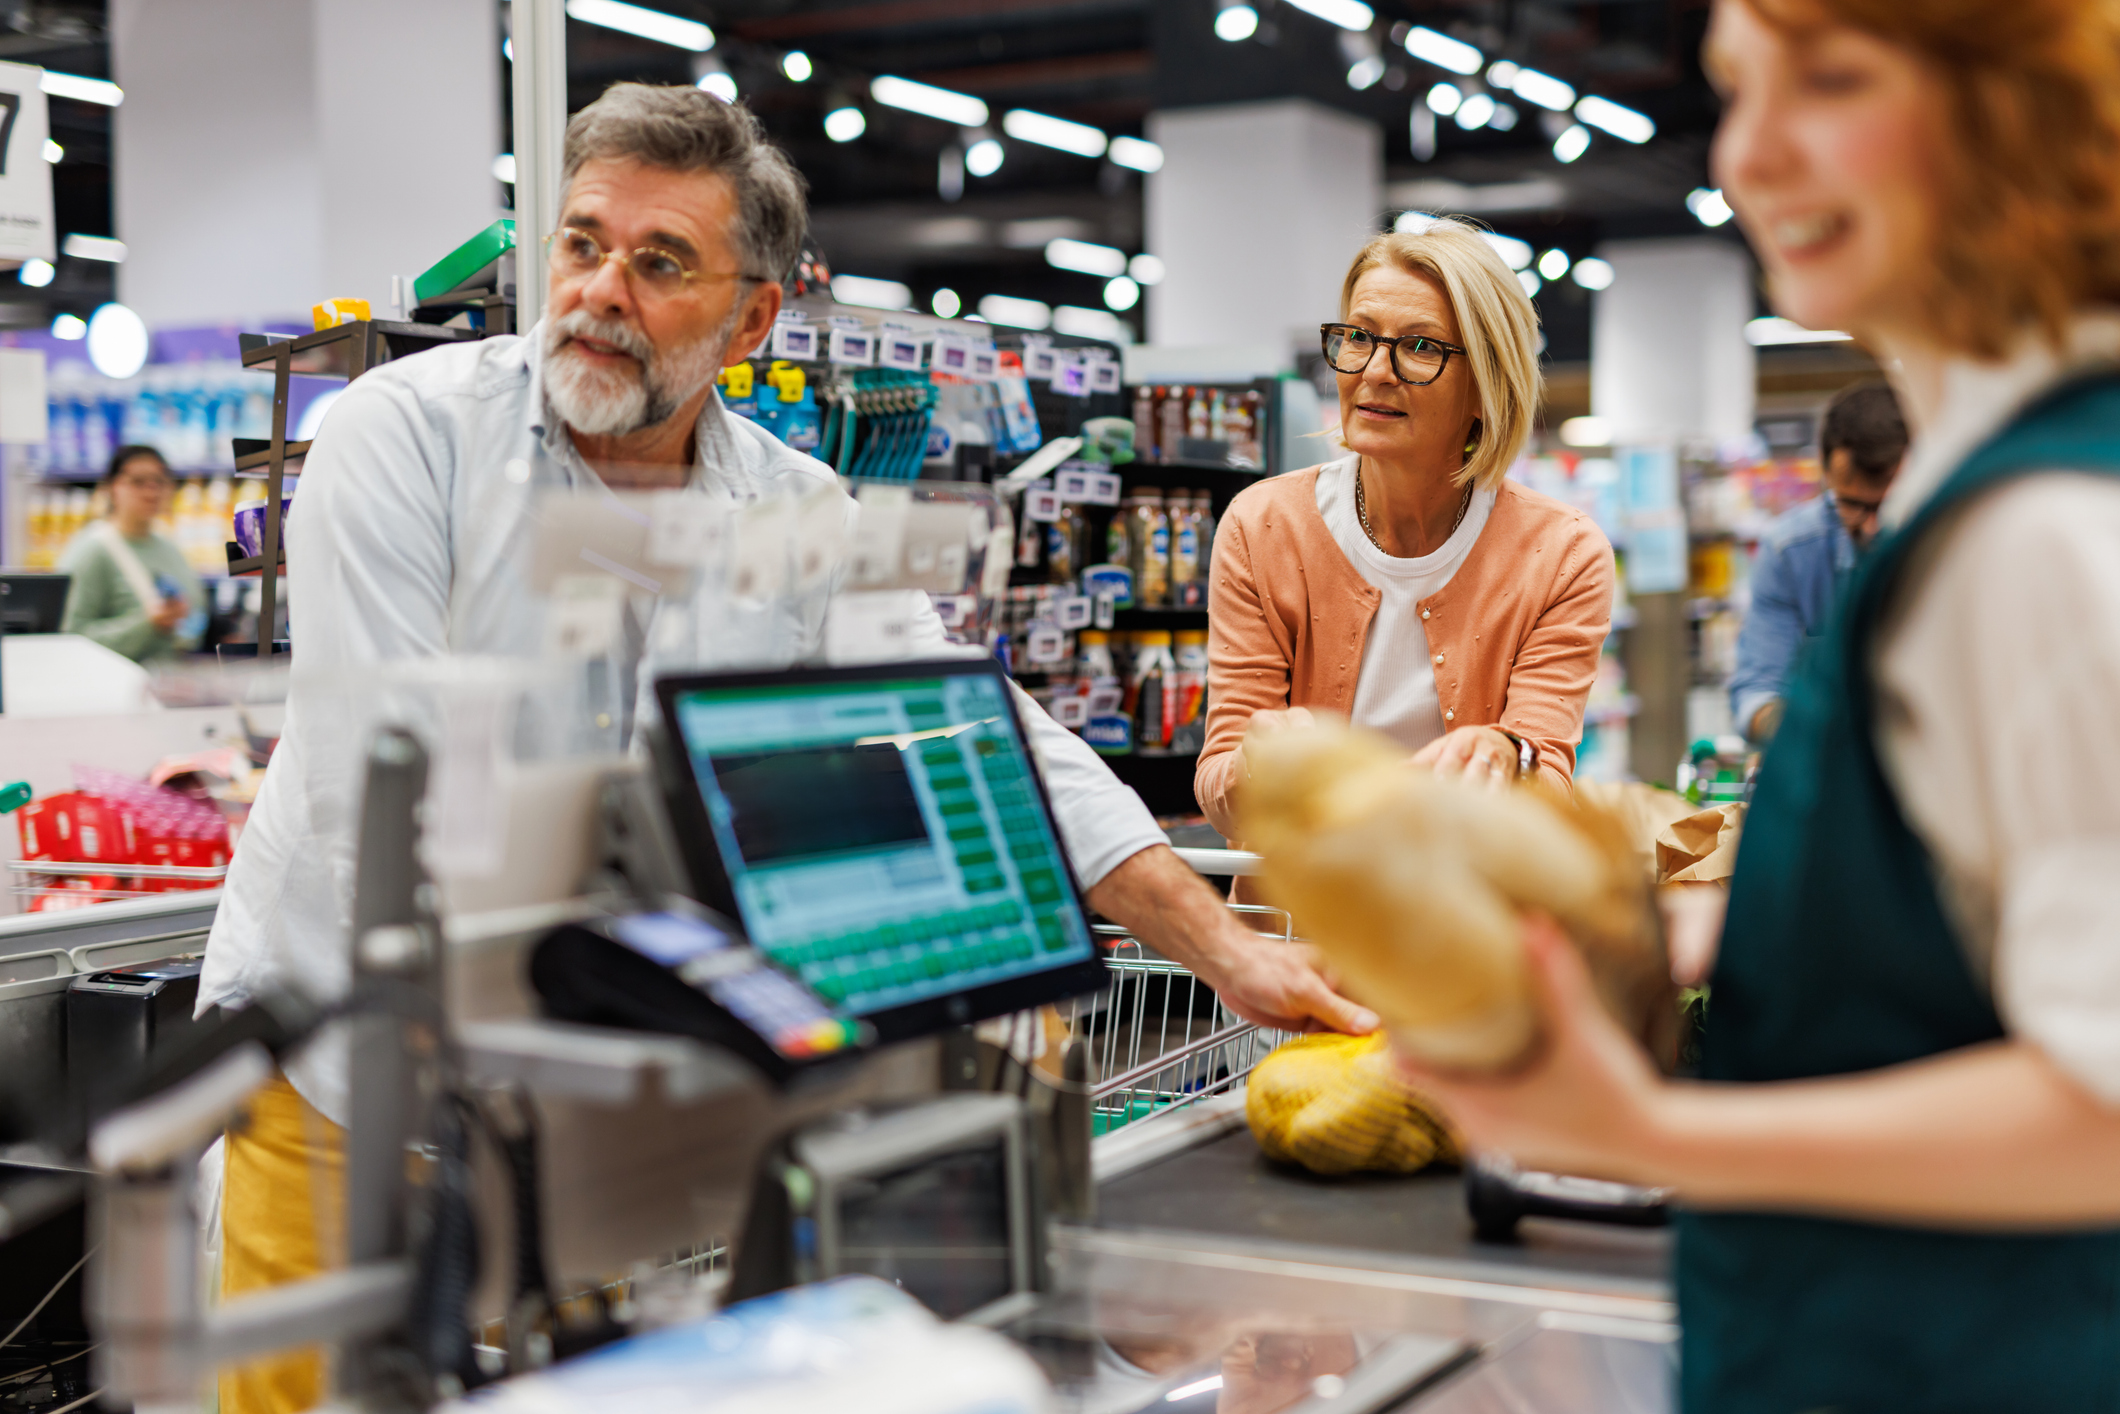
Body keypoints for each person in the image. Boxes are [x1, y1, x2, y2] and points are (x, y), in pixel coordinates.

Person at [201, 86, 1373, 1414]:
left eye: (659, 264)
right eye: (582, 244)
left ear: (754, 313)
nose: (599, 291)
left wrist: (1223, 945)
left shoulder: (792, 504)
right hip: (349, 1081)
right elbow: (387, 788)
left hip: (591, 1098)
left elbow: (976, 728)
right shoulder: (402, 439)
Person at [1394, 2, 2120, 1410]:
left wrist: (1648, 1131)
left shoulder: (2040, 535)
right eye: (1737, 89)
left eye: (1835, 80)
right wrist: (1714, 921)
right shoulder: (2007, 480)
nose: (1752, 154)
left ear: (2030, 109)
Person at [1196, 218, 1613, 850]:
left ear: (1487, 385)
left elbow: (1547, 777)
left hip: (1470, 929)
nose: (1375, 371)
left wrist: (1509, 758)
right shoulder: (1264, 527)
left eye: (1421, 347)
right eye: (1359, 337)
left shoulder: (1560, 554)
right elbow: (1220, 786)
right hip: (1292, 933)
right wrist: (1259, 761)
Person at [1728, 380, 1906, 742]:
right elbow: (1758, 690)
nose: (1871, 527)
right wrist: (1811, 737)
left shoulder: (1953, 540)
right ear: (1826, 478)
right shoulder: (1791, 552)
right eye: (1853, 505)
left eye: (1884, 506)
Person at [57, 444, 206, 662]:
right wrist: (147, 625)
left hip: (170, 683)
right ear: (111, 487)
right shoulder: (91, 551)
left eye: (160, 482)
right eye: (138, 482)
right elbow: (69, 636)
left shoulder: (169, 547)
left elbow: (195, 618)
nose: (151, 491)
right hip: (115, 688)